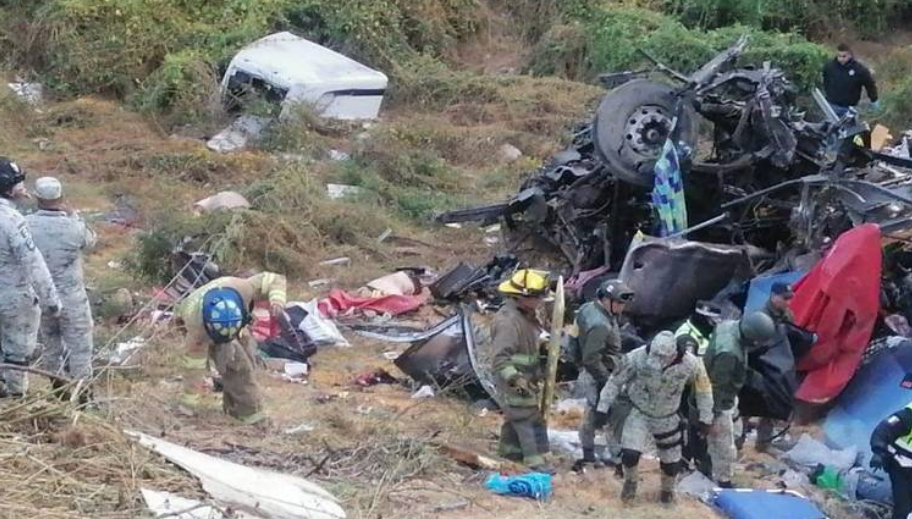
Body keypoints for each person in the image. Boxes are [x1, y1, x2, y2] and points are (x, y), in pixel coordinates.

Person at [597, 331, 714, 505]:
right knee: (629, 453)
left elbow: (704, 391)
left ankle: (667, 492)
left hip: (667, 416)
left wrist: (706, 418)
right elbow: (615, 381)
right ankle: (630, 483)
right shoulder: (636, 357)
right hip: (639, 412)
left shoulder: (692, 364)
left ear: (674, 354)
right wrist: (602, 407)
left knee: (671, 464)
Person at [177, 271, 287, 424]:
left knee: (247, 358)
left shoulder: (242, 288)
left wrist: (277, 301)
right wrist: (189, 405)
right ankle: (251, 416)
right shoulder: (197, 330)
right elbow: (193, 368)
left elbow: (275, 279)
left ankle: (234, 408)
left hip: (233, 324)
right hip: (199, 321)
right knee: (238, 367)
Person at [26, 177, 97, 398]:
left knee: (51, 345)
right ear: (61, 198)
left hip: (42, 297)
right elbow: (91, 241)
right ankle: (83, 397)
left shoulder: (25, 224)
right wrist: (74, 214)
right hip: (72, 299)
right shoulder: (73, 227)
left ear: (37, 198)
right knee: (80, 348)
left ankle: (58, 393)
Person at [0, 158, 60, 397]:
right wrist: (51, 301)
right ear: (7, 186)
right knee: (17, 358)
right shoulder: (12, 220)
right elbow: (33, 262)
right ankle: (15, 405)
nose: (23, 186)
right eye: (18, 182)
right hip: (14, 299)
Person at [703, 312, 777, 487]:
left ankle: (709, 458)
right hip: (718, 400)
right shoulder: (729, 353)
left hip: (725, 392)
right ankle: (723, 480)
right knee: (725, 446)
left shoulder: (728, 326)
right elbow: (718, 387)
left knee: (735, 431)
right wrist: (712, 418)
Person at [492, 269, 553, 473]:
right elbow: (500, 359)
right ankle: (535, 462)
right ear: (522, 296)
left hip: (527, 377)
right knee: (525, 417)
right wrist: (516, 379)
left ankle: (509, 452)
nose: (540, 301)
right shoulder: (507, 322)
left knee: (515, 416)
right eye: (536, 297)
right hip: (513, 380)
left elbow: (529, 343)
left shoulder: (525, 316)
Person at [573, 279, 634, 472]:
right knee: (607, 414)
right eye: (619, 302)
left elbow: (573, 338)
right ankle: (606, 456)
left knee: (593, 413)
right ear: (606, 299)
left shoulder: (587, 309)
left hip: (593, 370)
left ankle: (590, 452)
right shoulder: (601, 325)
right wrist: (606, 381)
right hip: (599, 373)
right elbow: (591, 358)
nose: (622, 307)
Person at [754, 282, 795, 452]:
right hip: (761, 365)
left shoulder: (786, 315)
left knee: (770, 406)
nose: (788, 302)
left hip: (779, 366)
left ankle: (763, 442)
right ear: (773, 296)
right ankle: (736, 443)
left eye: (789, 299)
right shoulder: (760, 317)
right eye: (784, 298)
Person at [870, 401, 912, 519]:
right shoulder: (908, 415)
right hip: (899, 465)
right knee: (904, 510)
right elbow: (885, 429)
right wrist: (879, 452)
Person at [822, 43, 880, 118]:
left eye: (844, 56)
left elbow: (870, 85)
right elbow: (825, 81)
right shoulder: (829, 67)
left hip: (849, 108)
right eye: (839, 56)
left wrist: (874, 99)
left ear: (850, 55)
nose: (841, 59)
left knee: (850, 129)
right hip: (832, 106)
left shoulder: (859, 70)